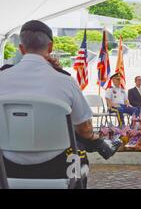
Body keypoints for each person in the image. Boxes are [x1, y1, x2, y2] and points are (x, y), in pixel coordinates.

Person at [0, 20, 118, 183]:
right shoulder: (65, 81)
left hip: (5, 166)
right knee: (80, 143)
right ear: (50, 48)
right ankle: (101, 145)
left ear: (21, 48)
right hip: (56, 167)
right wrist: (93, 137)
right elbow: (84, 129)